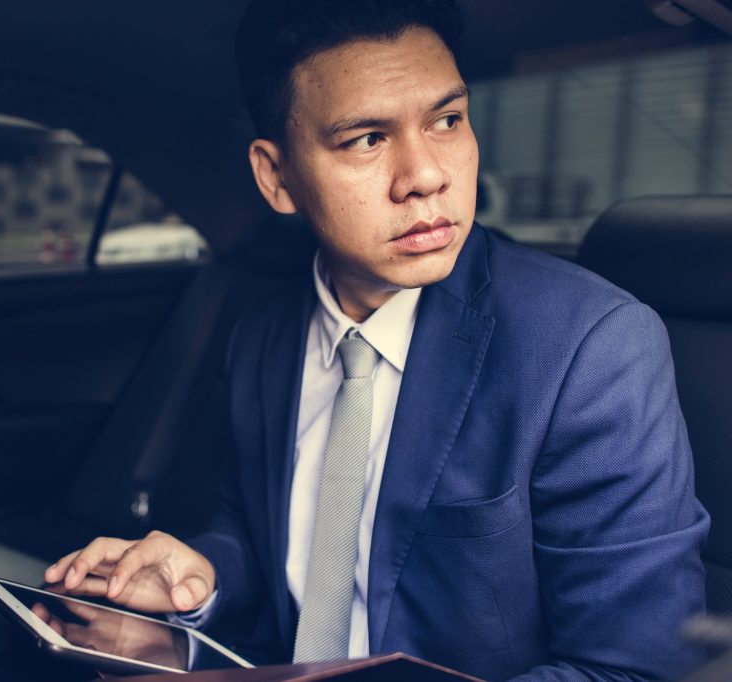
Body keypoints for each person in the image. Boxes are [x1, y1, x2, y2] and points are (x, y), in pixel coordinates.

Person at [45, 0, 709, 679]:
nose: (426, 176)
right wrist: (204, 577)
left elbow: (635, 670)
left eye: (447, 120)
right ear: (276, 178)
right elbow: (265, 533)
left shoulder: (589, 349)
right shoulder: (264, 336)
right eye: (366, 138)